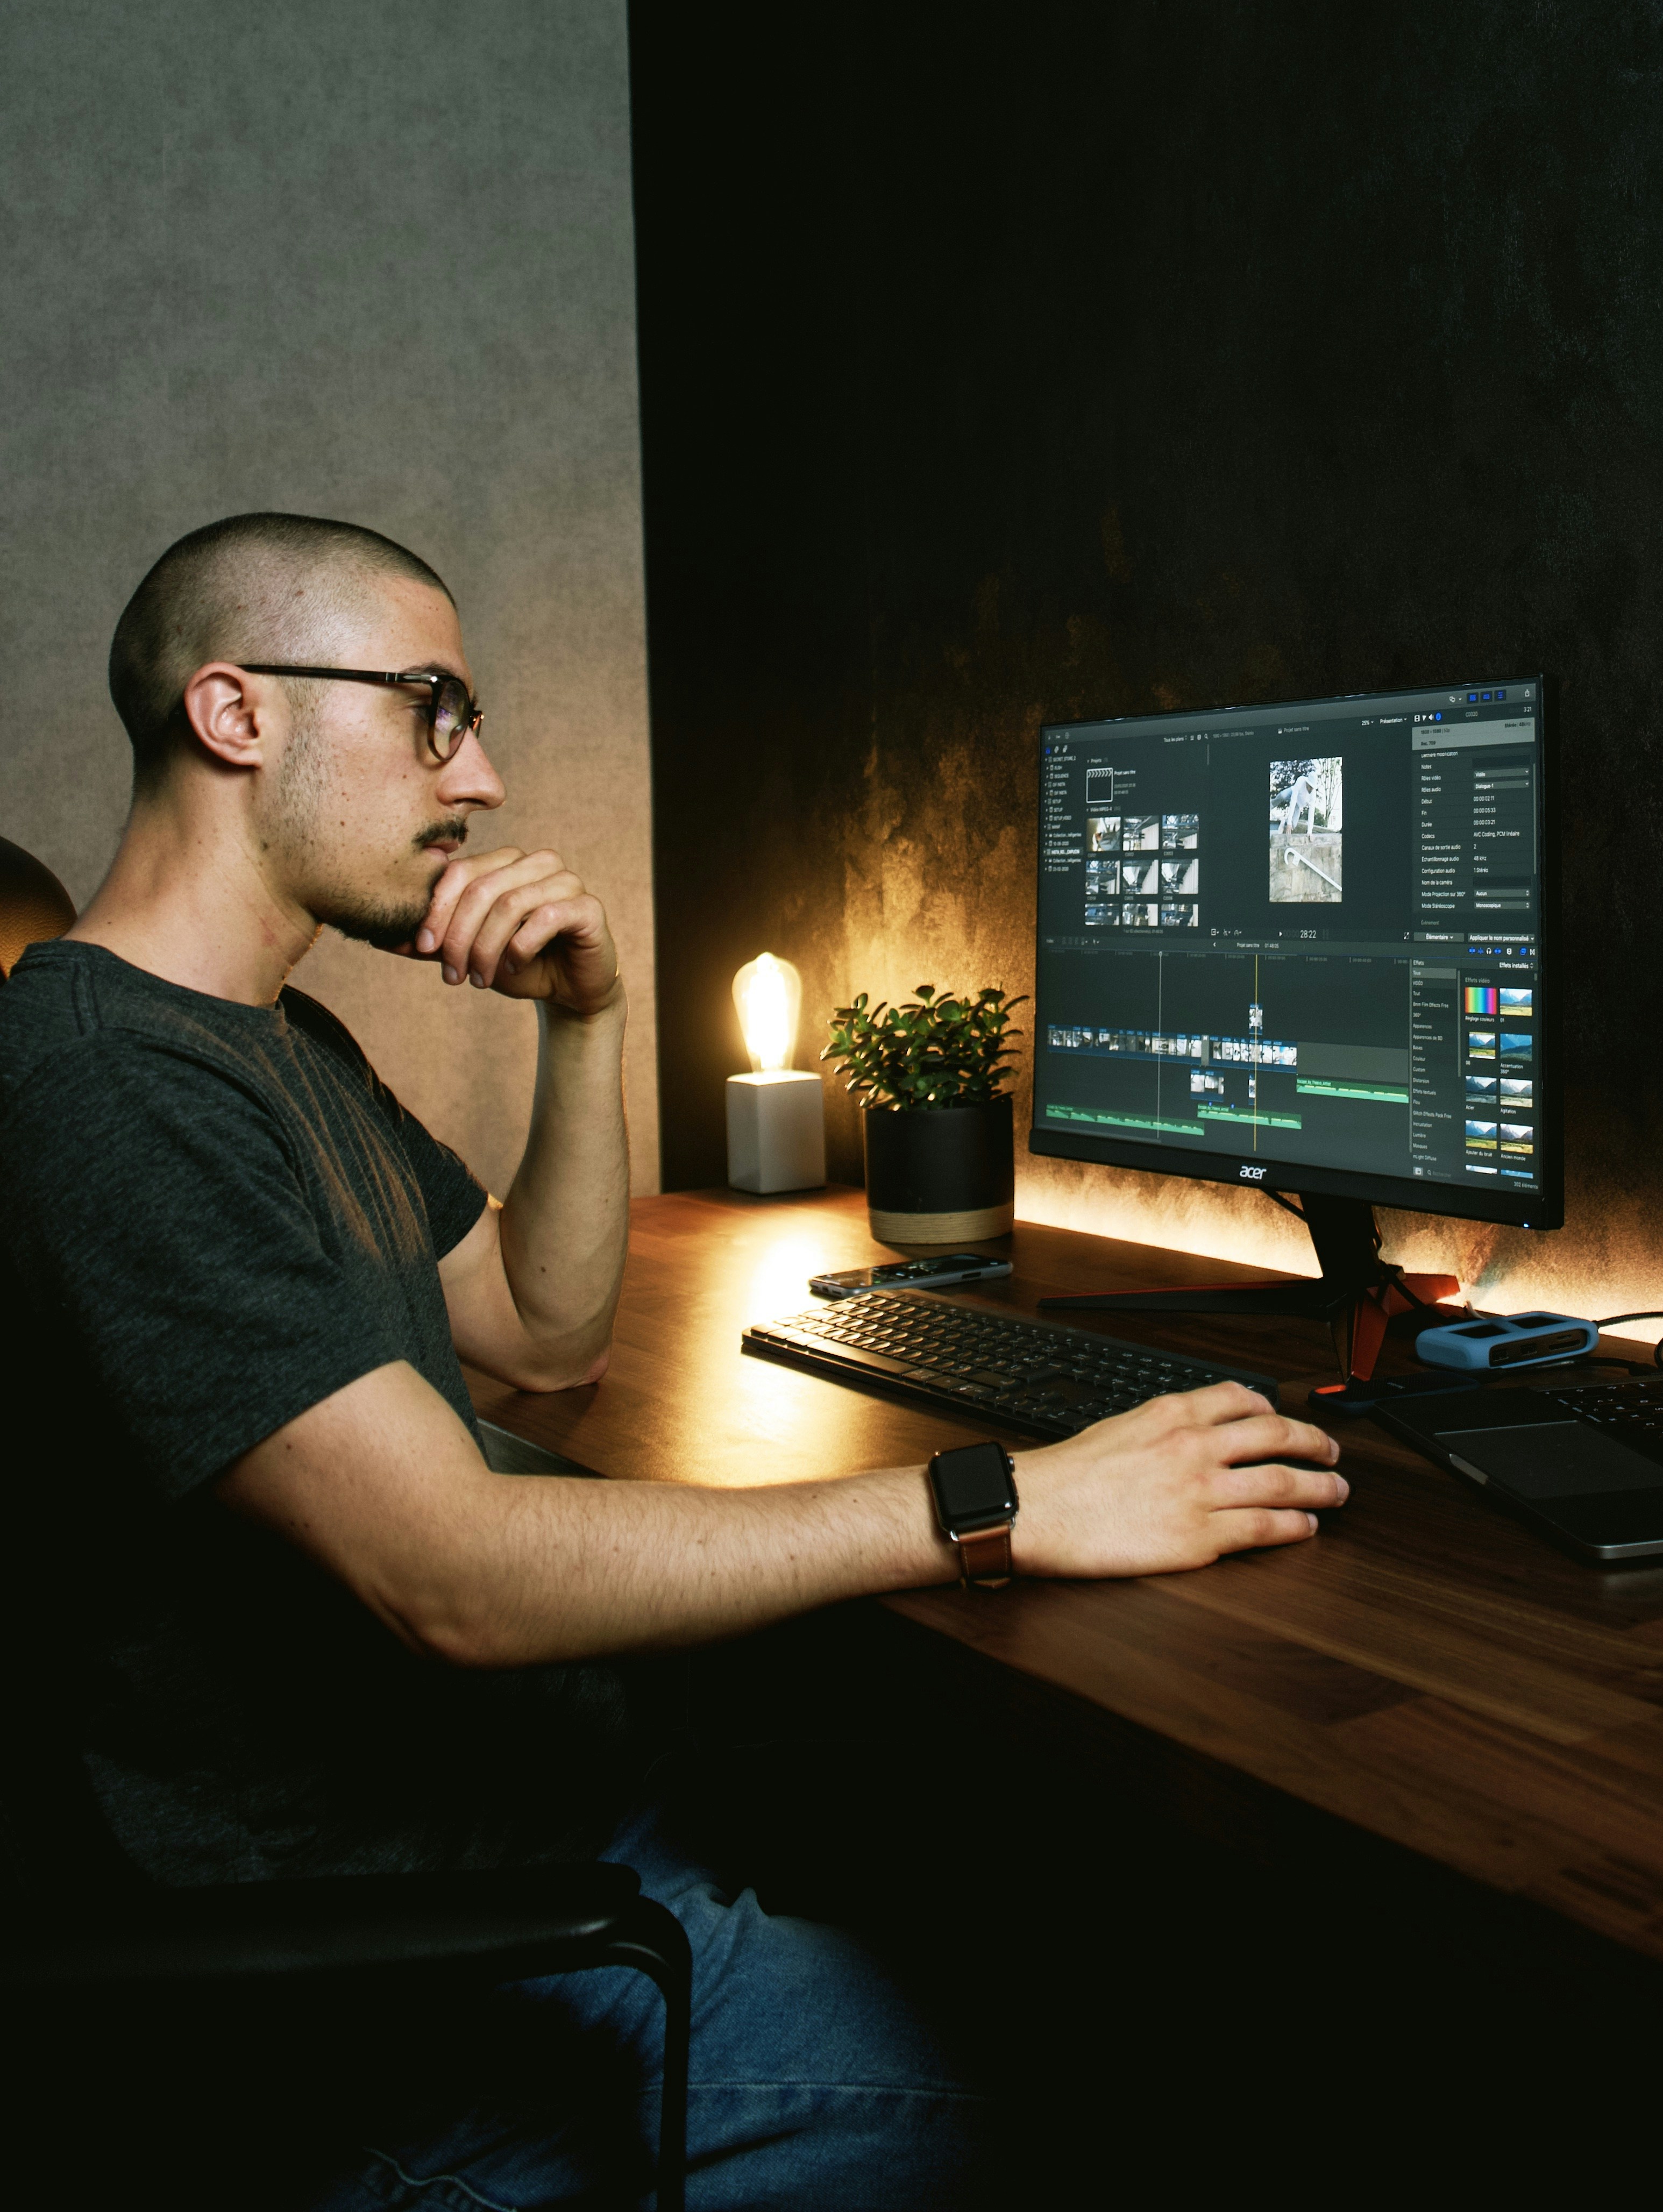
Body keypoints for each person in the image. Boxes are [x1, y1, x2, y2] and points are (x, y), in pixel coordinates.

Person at [0, 514, 1349, 2209]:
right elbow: (453, 1578)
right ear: (236, 714)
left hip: (537, 1827)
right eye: (432, 707)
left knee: (1124, 1929)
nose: (478, 775)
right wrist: (1003, 1501)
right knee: (1136, 2106)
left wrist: (589, 1021)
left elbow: (540, 1331)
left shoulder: (271, 1043)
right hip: (388, 1997)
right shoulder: (103, 1085)